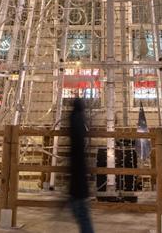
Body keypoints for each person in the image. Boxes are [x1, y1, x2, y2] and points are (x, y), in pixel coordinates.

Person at [67, 97, 93, 233]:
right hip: (79, 176)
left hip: (78, 177)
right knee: (81, 212)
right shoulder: (80, 119)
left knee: (81, 212)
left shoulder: (75, 119)